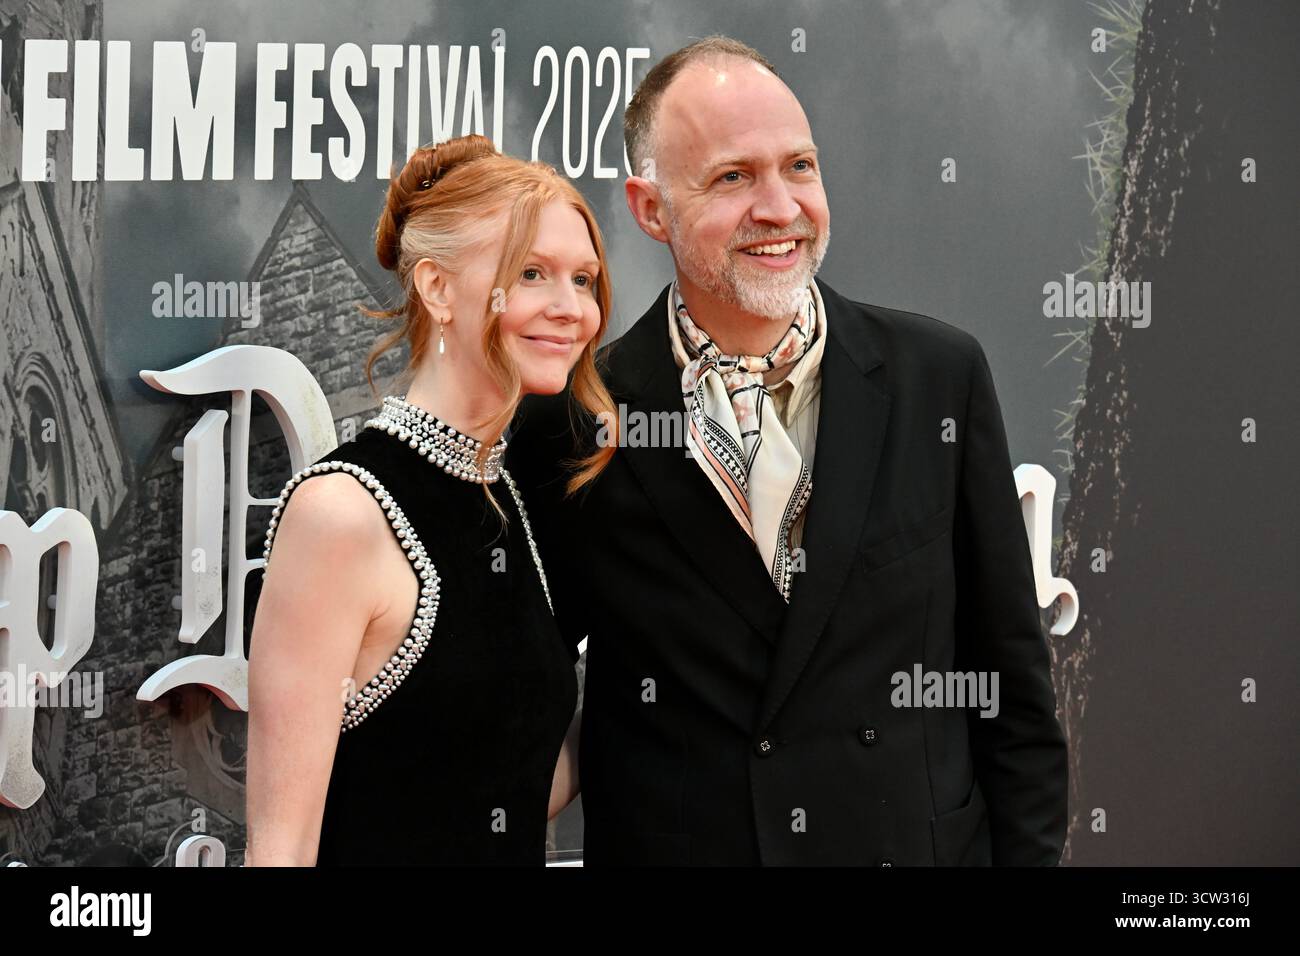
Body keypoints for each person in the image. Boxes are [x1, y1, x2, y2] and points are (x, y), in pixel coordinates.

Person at [509, 37, 1069, 865]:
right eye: (733, 177)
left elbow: (1015, 697)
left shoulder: (938, 380)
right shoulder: (578, 417)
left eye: (799, 167)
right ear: (650, 207)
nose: (780, 208)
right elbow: (519, 708)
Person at [244, 134, 616, 866]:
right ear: (437, 288)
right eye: (532, 273)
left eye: (584, 279)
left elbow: (503, 787)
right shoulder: (341, 514)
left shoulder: (510, 499)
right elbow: (280, 848)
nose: (571, 308)